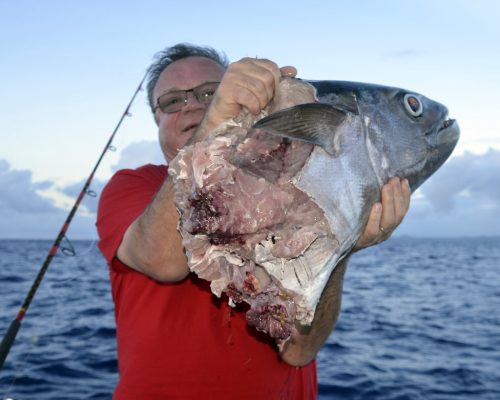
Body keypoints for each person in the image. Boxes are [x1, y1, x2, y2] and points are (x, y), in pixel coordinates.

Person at [96, 43, 411, 399]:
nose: (195, 106)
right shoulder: (133, 187)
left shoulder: (296, 194)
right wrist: (215, 122)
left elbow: (299, 350)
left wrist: (344, 243)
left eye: (211, 92)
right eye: (172, 101)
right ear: (158, 120)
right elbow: (164, 260)